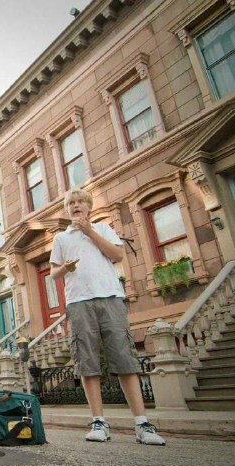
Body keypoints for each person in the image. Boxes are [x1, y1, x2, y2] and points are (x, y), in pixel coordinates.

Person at [50, 188, 165, 446]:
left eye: (80, 202)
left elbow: (117, 255)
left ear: (88, 207)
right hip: (78, 301)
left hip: (109, 297)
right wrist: (65, 268)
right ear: (67, 209)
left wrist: (89, 231)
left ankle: (142, 424)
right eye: (71, 203)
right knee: (87, 360)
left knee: (124, 358)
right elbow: (54, 273)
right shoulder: (61, 238)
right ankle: (99, 421)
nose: (76, 205)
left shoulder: (102, 229)